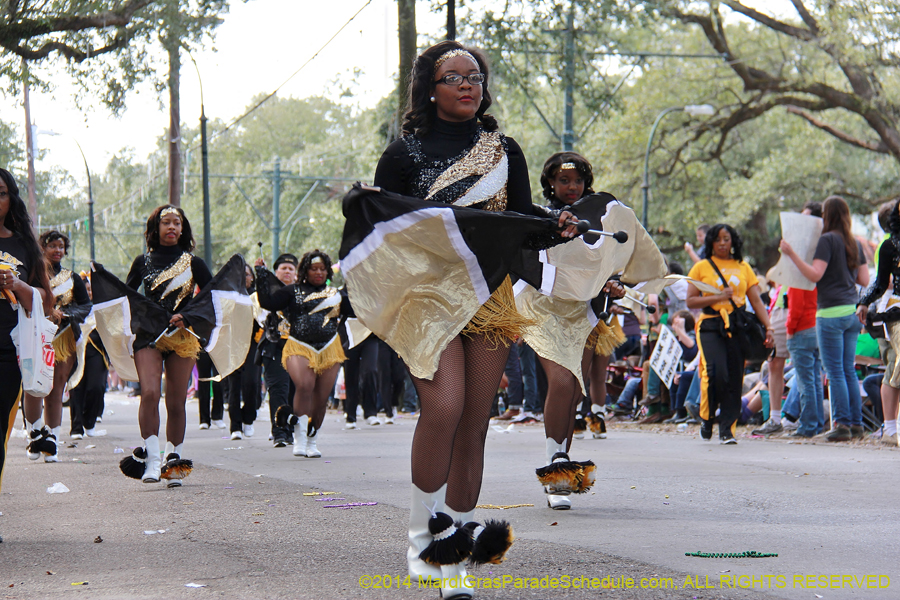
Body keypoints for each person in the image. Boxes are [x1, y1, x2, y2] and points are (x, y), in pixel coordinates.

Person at [369, 40, 579, 598]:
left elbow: (519, 215)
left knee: (474, 421)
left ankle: (456, 551)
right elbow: (384, 229)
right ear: (430, 89)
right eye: (454, 75)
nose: (467, 83)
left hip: (489, 297)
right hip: (426, 299)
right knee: (442, 407)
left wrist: (554, 224)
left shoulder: (504, 149)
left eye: (476, 76)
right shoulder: (403, 154)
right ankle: (421, 536)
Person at [530, 152, 624, 510]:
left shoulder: (601, 221)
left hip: (584, 314)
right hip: (544, 311)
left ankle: (561, 469)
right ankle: (556, 469)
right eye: (564, 180)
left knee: (575, 394)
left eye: (578, 181)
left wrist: (612, 285)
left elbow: (609, 268)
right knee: (564, 381)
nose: (571, 187)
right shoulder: (536, 218)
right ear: (550, 183)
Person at [122, 205, 212, 485]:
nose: (171, 227)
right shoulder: (141, 262)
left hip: (181, 336)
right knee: (149, 393)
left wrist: (188, 316)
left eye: (177, 223)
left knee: (176, 401)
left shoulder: (194, 263)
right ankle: (151, 459)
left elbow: (212, 297)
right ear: (155, 229)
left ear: (183, 229)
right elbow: (126, 297)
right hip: (148, 335)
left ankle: (173, 462)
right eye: (166, 223)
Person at [781, 196, 868, 442]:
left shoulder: (827, 240)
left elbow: (815, 274)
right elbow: (863, 279)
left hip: (830, 313)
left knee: (835, 371)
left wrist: (792, 254)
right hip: (852, 312)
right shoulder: (855, 242)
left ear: (826, 216)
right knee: (848, 370)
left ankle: (841, 424)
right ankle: (856, 424)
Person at [0, 169, 52, 543]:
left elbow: (46, 301)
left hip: (7, 351)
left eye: (0, 193)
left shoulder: (23, 245)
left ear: (10, 199)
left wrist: (17, 284)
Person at [257, 249, 350, 459]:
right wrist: (261, 275)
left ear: (328, 272)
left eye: (322, 269)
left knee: (320, 397)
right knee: (305, 385)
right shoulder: (292, 291)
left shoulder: (336, 294)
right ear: (305, 271)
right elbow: (268, 303)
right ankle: (298, 438)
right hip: (299, 346)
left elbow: (356, 309)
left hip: (330, 348)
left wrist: (358, 278)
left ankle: (312, 439)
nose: (318, 273)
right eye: (313, 269)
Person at [686, 224, 775, 444]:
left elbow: (755, 300)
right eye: (718, 240)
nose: (723, 243)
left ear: (733, 241)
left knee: (735, 377)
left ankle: (727, 428)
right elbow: (691, 300)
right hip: (709, 326)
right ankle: (707, 417)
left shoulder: (743, 267)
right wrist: (716, 297)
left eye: (727, 239)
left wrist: (769, 327)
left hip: (738, 326)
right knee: (716, 373)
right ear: (711, 243)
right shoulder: (701, 267)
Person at [22, 230, 91, 460]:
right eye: (52, 246)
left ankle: (52, 441)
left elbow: (85, 305)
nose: (57, 250)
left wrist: (66, 315)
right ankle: (34, 434)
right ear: (42, 248)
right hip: (36, 337)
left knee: (56, 388)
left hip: (64, 338)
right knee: (34, 386)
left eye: (61, 247)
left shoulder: (73, 278)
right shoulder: (33, 275)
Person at [856, 199, 900, 446]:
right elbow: (883, 282)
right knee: (895, 364)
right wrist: (863, 301)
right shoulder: (888, 246)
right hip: (892, 313)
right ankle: (890, 428)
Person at [255, 253, 298, 447]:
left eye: (291, 269)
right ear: (276, 272)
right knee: (279, 389)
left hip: (299, 348)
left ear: (296, 274)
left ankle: (293, 430)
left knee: (296, 391)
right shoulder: (268, 294)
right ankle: (280, 431)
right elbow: (263, 303)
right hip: (274, 346)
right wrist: (261, 276)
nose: (287, 272)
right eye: (283, 268)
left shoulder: (302, 292)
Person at [67, 272, 110, 439]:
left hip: (97, 352)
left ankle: (89, 421)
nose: (89, 293)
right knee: (76, 388)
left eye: (91, 290)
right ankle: (76, 428)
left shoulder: (102, 309)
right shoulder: (72, 308)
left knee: (96, 387)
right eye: (86, 290)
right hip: (75, 351)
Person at [225, 264, 260, 440]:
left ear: (252, 277)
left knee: (252, 383)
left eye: (246, 274)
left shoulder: (258, 296)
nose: (243, 278)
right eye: (239, 274)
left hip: (253, 344)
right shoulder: (229, 297)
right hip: (233, 343)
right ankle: (235, 427)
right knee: (234, 387)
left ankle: (249, 418)